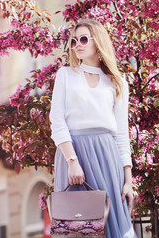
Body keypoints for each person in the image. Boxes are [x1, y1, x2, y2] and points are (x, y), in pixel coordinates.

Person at [49, 19, 137, 237]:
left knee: (111, 224)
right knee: (78, 225)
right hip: (74, 155)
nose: (77, 44)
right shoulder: (65, 75)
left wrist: (128, 181)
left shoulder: (118, 83)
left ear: (98, 42)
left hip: (107, 157)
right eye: (73, 40)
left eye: (84, 39)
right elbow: (57, 120)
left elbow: (121, 134)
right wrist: (72, 161)